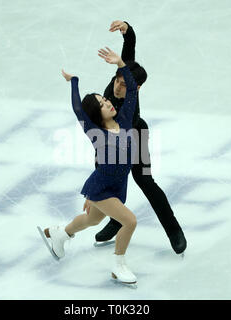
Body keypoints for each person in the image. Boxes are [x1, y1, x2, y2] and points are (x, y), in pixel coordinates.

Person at [39, 47, 139, 284]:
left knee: (93, 220)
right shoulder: (96, 132)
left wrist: (121, 65)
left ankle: (59, 234)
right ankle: (119, 266)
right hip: (102, 188)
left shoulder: (124, 119)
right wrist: (74, 82)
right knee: (130, 221)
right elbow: (77, 109)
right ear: (96, 112)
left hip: (116, 186)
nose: (108, 103)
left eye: (105, 100)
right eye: (103, 104)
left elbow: (132, 91)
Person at [93, 21, 187, 254]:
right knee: (108, 180)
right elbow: (129, 56)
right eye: (117, 80)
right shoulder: (118, 80)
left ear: (136, 88)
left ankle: (173, 229)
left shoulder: (130, 103)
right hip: (108, 141)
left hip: (135, 138)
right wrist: (128, 30)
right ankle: (117, 219)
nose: (117, 87)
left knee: (144, 181)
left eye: (124, 85)